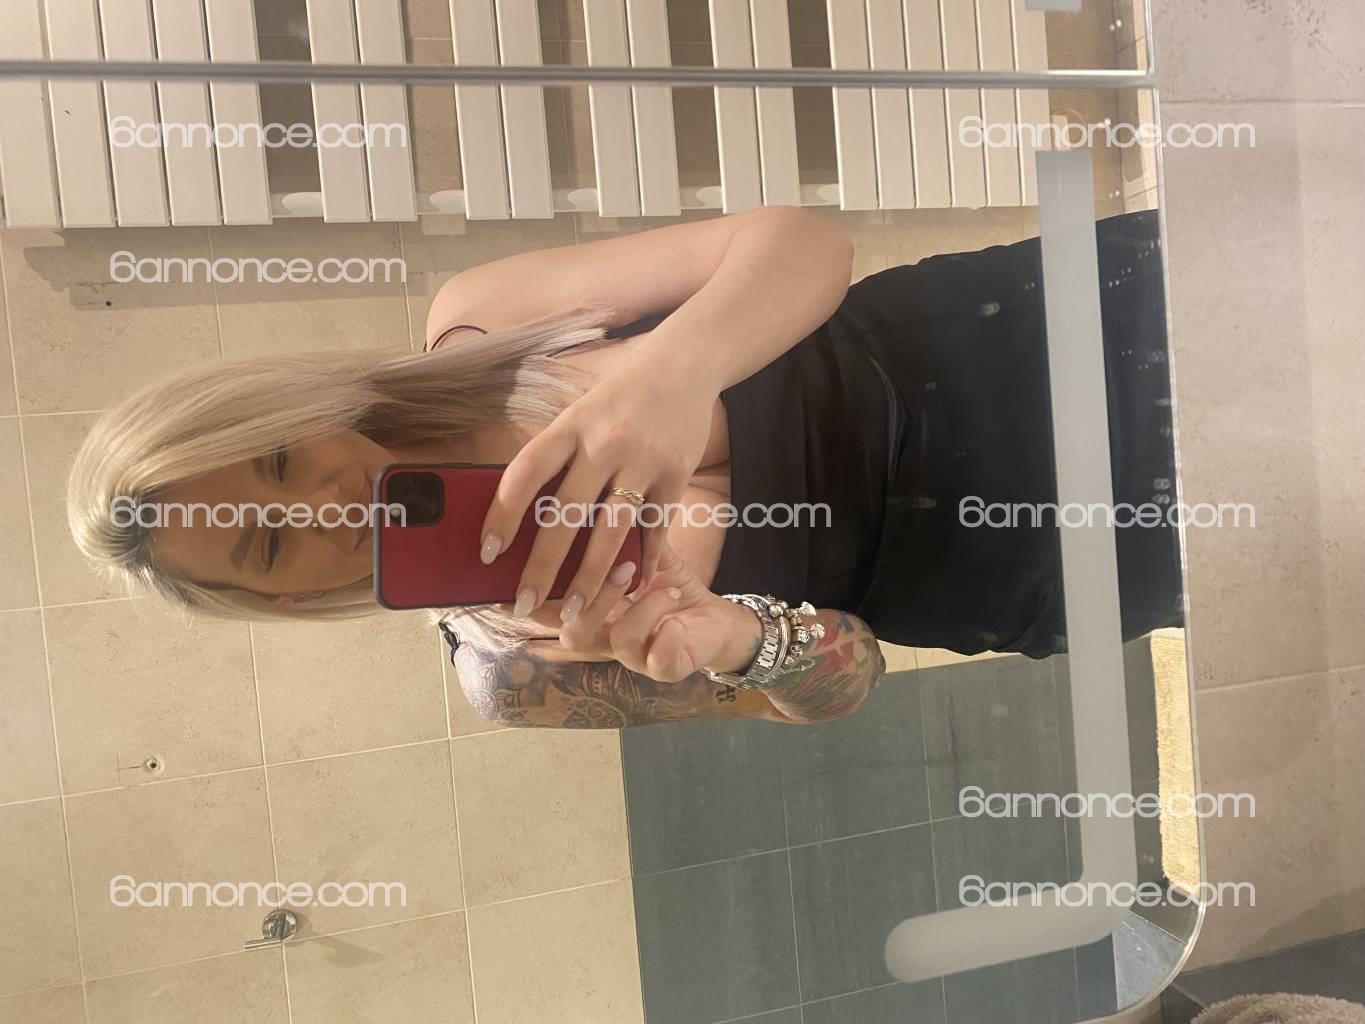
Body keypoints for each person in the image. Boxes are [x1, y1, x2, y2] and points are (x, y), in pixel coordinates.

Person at [68, 205, 1182, 729]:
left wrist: (669, 376)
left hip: (1036, 334)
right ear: (281, 600)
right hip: (1042, 562)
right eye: (271, 542)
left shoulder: (480, 326)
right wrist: (730, 641)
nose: (323, 504)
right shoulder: (518, 667)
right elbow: (849, 678)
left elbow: (805, 242)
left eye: (278, 454)